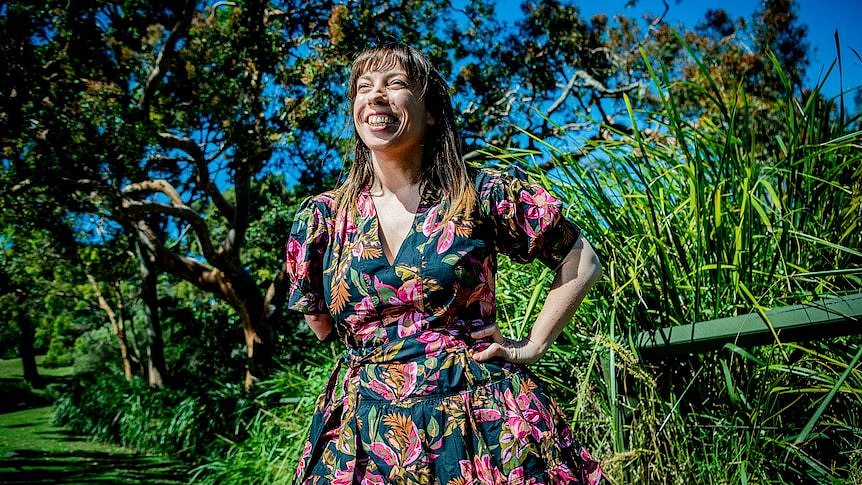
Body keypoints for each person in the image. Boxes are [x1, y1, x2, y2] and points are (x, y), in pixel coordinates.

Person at [285, 43, 603, 484]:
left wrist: (532, 344)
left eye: (394, 84)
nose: (375, 96)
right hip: (365, 432)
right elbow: (320, 323)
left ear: (430, 112)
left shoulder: (478, 194)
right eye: (364, 87)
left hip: (481, 418)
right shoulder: (322, 219)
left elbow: (580, 258)